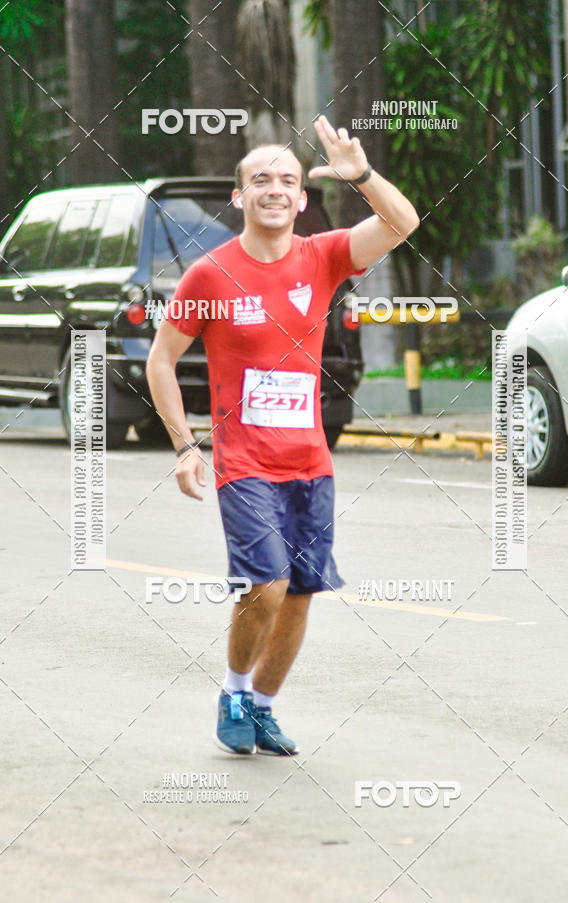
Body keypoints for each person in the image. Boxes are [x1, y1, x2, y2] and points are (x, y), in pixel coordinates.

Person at [146, 115, 419, 756]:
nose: (275, 187)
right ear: (239, 198)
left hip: (310, 461)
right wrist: (186, 445)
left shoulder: (322, 256)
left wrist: (362, 176)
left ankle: (263, 709)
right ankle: (234, 691)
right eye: (260, 179)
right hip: (242, 461)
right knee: (264, 582)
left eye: (288, 180)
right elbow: (162, 359)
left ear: (301, 198)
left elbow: (403, 223)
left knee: (300, 592)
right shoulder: (209, 276)